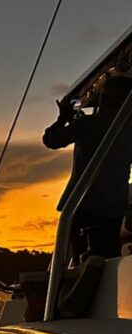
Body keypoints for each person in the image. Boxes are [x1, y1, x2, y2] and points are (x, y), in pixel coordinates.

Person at [43, 76, 132, 260]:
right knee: (109, 257)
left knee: (81, 261)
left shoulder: (87, 124)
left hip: (83, 203)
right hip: (114, 207)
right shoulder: (127, 129)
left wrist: (62, 119)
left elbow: (51, 140)